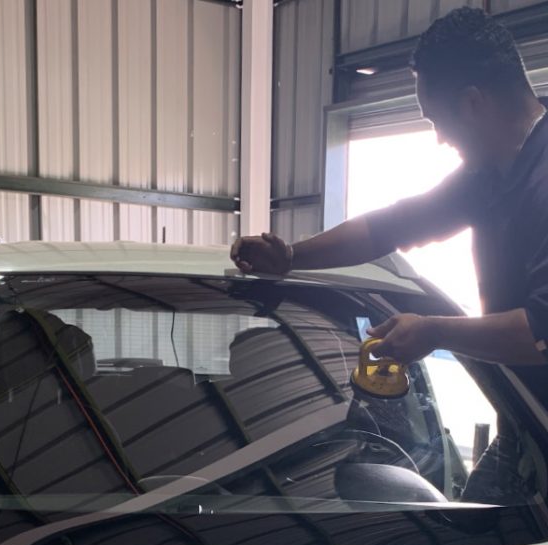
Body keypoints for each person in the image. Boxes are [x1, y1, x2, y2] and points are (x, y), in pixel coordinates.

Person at [231, 7, 548, 408]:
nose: (440, 139)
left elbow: (541, 333)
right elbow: (389, 227)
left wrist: (435, 331)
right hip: (527, 416)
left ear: (472, 103)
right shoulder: (490, 173)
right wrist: (292, 257)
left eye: (436, 121)